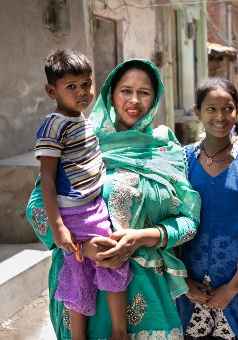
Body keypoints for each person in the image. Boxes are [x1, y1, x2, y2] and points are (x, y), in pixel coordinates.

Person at [27, 58, 201, 339]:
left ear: (155, 98)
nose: (134, 100)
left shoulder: (165, 148)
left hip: (149, 297)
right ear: (111, 94)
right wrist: (82, 246)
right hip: (87, 297)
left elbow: (189, 221)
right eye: (126, 91)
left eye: (144, 92)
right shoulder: (80, 139)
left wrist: (141, 237)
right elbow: (37, 207)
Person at [33, 48, 131, 340]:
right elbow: (47, 180)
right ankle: (105, 333)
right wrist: (58, 227)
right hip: (75, 213)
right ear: (52, 91)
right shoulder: (54, 126)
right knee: (100, 264)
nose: (82, 92)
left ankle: (114, 331)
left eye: (86, 84)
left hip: (93, 206)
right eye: (71, 87)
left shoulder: (84, 121)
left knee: (100, 264)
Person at [176, 78, 238, 340]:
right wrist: (182, 282)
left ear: (237, 109)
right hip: (188, 285)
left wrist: (233, 287)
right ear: (198, 112)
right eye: (211, 109)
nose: (220, 116)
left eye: (227, 108)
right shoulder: (182, 160)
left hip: (234, 285)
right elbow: (171, 221)